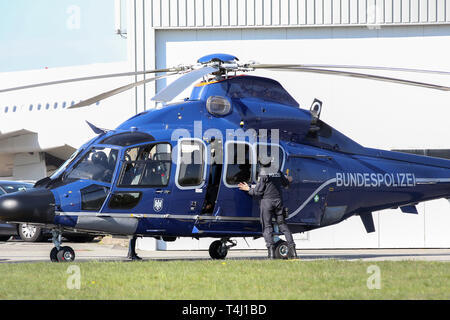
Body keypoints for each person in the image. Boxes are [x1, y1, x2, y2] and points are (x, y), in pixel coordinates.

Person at [238, 157, 297, 259]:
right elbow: (286, 183)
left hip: (267, 203)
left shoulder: (264, 174)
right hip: (278, 202)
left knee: (267, 227)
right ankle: (294, 253)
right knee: (283, 226)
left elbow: (258, 192)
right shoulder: (277, 171)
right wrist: (288, 179)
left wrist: (248, 189)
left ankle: (271, 254)